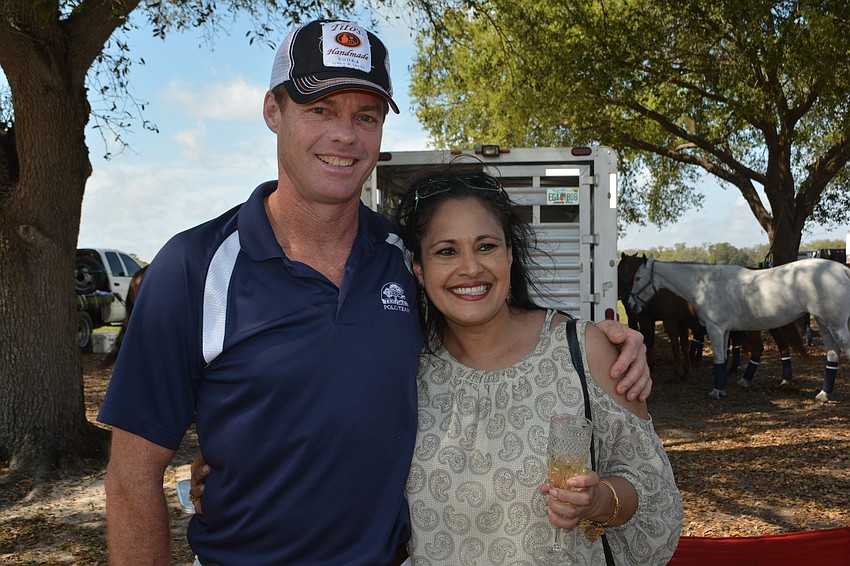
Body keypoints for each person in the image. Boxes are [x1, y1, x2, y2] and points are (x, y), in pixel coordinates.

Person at [100, 19, 653, 565]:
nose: (344, 134)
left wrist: (600, 343)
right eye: (319, 109)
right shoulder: (193, 267)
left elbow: (490, 334)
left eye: (365, 116)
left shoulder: (406, 260)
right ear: (273, 111)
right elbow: (131, 477)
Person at [397, 172, 683, 564]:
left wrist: (599, 500)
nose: (470, 268)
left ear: (510, 254)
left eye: (486, 246)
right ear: (417, 267)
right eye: (446, 251)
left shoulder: (582, 351)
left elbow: (654, 492)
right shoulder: (405, 369)